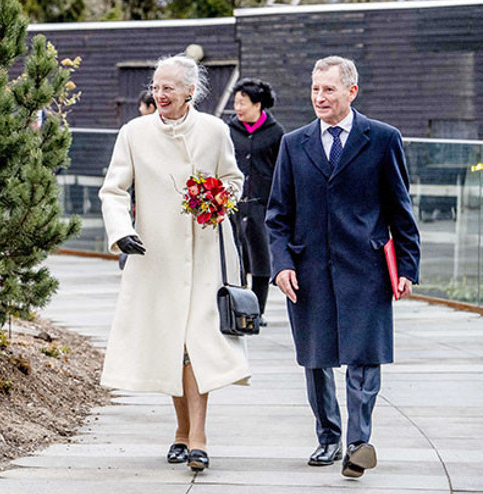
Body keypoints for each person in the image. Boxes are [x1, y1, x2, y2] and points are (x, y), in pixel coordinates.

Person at [265, 56, 420, 478]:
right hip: (308, 271)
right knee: (316, 360)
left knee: (364, 359)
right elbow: (277, 215)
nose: (320, 97)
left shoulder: (383, 139)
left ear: (352, 91)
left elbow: (399, 210)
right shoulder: (294, 144)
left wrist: (407, 265)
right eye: (315, 89)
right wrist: (281, 265)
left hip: (366, 269)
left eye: (329, 90)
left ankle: (357, 443)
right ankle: (328, 437)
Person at [99, 54, 251, 472]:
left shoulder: (215, 130)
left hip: (207, 255)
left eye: (169, 88)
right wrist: (121, 230)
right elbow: (113, 190)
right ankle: (181, 432)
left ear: (190, 92)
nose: (160, 94)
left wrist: (218, 201)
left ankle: (198, 438)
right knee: (171, 341)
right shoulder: (134, 133)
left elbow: (234, 180)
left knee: (196, 344)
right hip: (156, 255)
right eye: (157, 87)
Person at [228, 78, 284, 323]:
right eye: (236, 102)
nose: (238, 108)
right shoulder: (228, 130)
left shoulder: (275, 133)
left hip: (263, 203)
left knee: (261, 259)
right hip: (232, 203)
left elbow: (281, 169)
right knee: (235, 255)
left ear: (258, 104)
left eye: (243, 103)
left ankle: (257, 310)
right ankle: (237, 307)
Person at [118, 90, 156, 270]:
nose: (140, 109)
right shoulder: (134, 131)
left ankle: (128, 260)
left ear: (151, 107)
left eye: (142, 105)